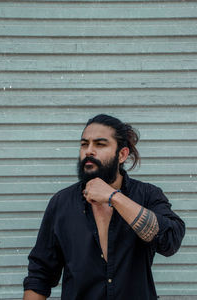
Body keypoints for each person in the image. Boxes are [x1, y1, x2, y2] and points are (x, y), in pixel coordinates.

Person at [23, 114, 185, 300]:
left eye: (100, 144)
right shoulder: (62, 203)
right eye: (84, 144)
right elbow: (40, 275)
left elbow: (170, 241)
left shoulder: (147, 195)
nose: (89, 151)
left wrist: (113, 197)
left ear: (122, 154)